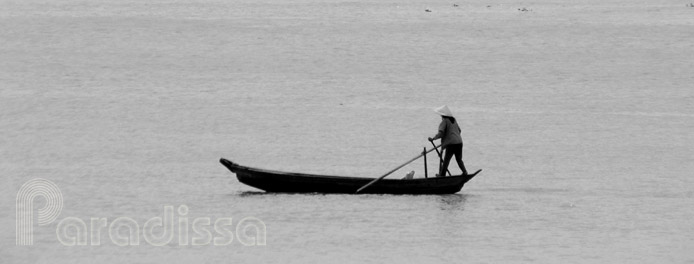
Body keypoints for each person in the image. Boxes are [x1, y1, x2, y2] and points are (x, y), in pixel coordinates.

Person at [427, 105, 468, 177]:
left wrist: (433, 138)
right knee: (459, 159)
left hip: (451, 143)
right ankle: (464, 172)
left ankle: (442, 175)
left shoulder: (444, 121)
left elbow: (441, 133)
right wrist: (453, 136)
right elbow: (459, 130)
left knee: (446, 160)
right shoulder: (454, 120)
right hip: (459, 142)